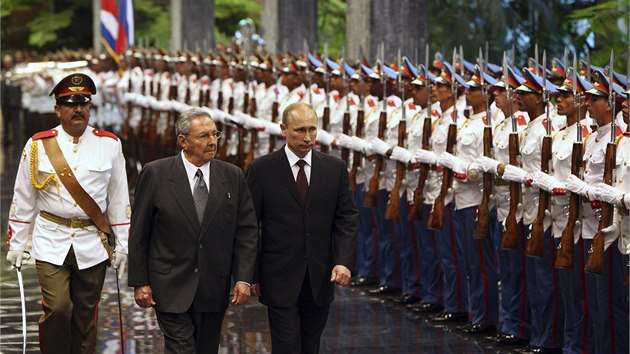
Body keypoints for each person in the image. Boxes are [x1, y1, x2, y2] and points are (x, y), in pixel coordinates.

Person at [6, 72, 130, 353]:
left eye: (84, 103)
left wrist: (123, 245)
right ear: (58, 109)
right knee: (59, 308)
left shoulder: (109, 144)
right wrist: (16, 243)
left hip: (92, 242)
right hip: (51, 239)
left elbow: (120, 199)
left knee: (86, 315)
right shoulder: (38, 144)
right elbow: (23, 196)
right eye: (71, 104)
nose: (78, 109)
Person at [128, 107, 258, 353]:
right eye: (204, 136)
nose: (212, 142)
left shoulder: (232, 175)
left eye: (215, 134)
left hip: (213, 285)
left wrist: (243, 277)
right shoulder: (156, 173)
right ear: (183, 141)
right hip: (169, 284)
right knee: (181, 348)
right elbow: (139, 232)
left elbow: (247, 231)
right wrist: (140, 281)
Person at [246, 101, 358, 353]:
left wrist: (343, 261)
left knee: (310, 346)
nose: (308, 138)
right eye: (299, 131)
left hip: (320, 277)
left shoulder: (334, 168)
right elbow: (250, 225)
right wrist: (249, 274)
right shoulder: (261, 170)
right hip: (278, 277)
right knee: (286, 346)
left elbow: (346, 217)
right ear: (283, 130)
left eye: (312, 130)